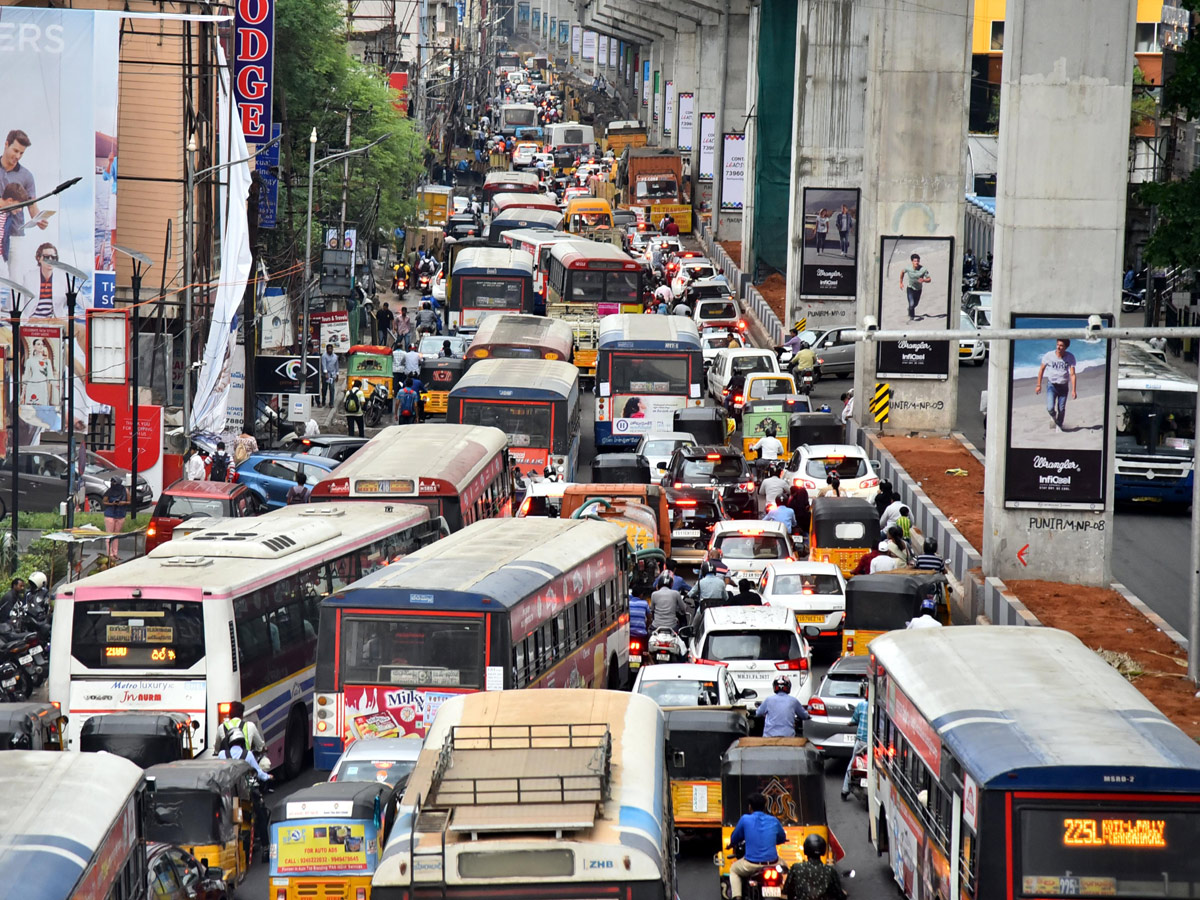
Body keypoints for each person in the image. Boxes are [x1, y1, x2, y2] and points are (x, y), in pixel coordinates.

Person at [727, 793, 787, 900]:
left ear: (750, 807)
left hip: (751, 865)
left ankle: (737, 897)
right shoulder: (774, 820)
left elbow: (735, 838)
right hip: (774, 863)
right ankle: (786, 892)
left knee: (734, 870)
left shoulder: (745, 819)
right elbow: (782, 838)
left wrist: (731, 844)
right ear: (764, 807)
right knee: (786, 867)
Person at [1035, 338, 1078, 432]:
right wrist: (1038, 385)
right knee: (1050, 408)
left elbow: (1072, 374)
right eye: (1057, 344)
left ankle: (1059, 424)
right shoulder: (1049, 356)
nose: (1058, 347)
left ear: (1066, 347)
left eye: (1061, 345)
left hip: (1063, 386)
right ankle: (1053, 418)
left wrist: (1074, 390)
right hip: (1052, 386)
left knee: (1061, 409)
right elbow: (1041, 369)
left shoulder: (1070, 357)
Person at [787, 834, 847, 900]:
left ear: (806, 850)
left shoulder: (796, 868)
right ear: (823, 850)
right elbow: (838, 894)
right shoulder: (830, 871)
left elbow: (787, 890)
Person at [841, 683, 869, 800]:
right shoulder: (880, 707)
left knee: (852, 764)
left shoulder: (862, 705)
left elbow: (854, 720)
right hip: (875, 745)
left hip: (861, 742)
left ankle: (845, 790)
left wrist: (850, 723)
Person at [901, 252, 932, 322]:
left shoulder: (923, 269)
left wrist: (924, 280)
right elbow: (902, 272)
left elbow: (929, 279)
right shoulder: (908, 268)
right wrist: (901, 282)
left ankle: (910, 309)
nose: (916, 262)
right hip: (910, 288)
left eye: (918, 261)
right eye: (915, 261)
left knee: (915, 304)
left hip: (918, 290)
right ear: (912, 261)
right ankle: (912, 317)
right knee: (911, 304)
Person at [102, 476, 127, 557]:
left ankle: (115, 553)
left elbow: (129, 501)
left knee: (116, 535)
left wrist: (124, 503)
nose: (113, 484)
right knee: (109, 535)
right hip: (110, 514)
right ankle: (109, 554)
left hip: (120, 514)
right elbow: (104, 502)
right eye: (112, 482)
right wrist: (112, 504)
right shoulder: (109, 491)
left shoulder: (125, 491)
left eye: (115, 482)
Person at [319, 343, 338, 409]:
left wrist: (337, 374)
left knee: (332, 388)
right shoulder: (324, 356)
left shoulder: (335, 356)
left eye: (331, 349)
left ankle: (331, 403)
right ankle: (323, 400)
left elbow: (336, 366)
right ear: (326, 349)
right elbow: (323, 365)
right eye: (328, 349)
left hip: (332, 374)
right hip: (325, 375)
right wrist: (325, 373)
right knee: (324, 388)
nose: (330, 350)